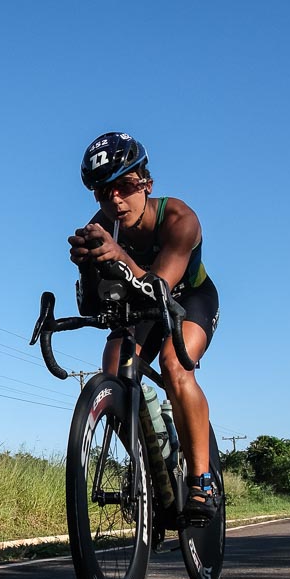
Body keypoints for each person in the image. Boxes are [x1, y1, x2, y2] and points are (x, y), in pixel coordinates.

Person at [67, 131, 220, 521]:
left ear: (146, 183)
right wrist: (87, 268)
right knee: (112, 373)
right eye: (104, 192)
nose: (115, 199)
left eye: (124, 186)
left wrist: (119, 255)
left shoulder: (180, 219)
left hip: (190, 299)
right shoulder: (101, 225)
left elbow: (160, 288)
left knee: (174, 366)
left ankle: (201, 482)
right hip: (141, 308)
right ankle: (151, 466)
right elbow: (97, 301)